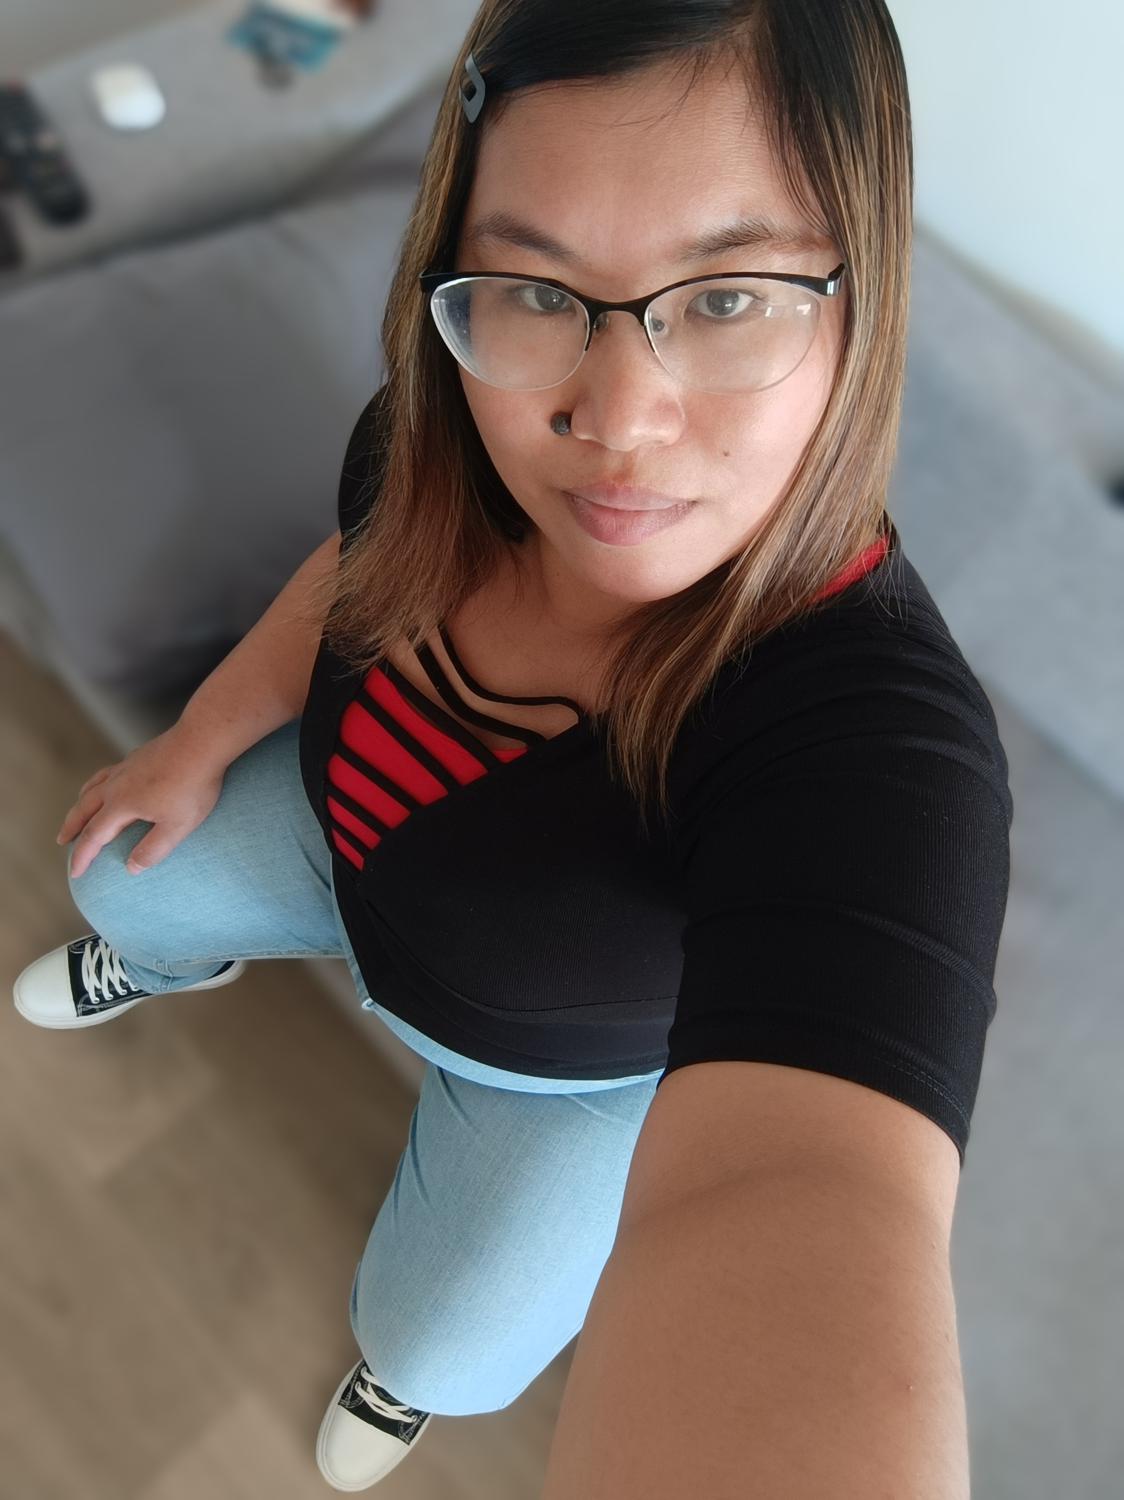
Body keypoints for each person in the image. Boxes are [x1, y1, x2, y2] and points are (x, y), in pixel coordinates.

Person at [13, 1, 1013, 1492]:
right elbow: (355, 565)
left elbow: (813, 1190)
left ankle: (399, 1381)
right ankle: (170, 959)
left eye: (727, 298)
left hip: (555, 1079)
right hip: (343, 844)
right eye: (539, 288)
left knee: (446, 1345)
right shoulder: (440, 427)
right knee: (120, 876)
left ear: (862, 300)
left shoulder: (865, 741)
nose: (615, 420)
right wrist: (202, 738)